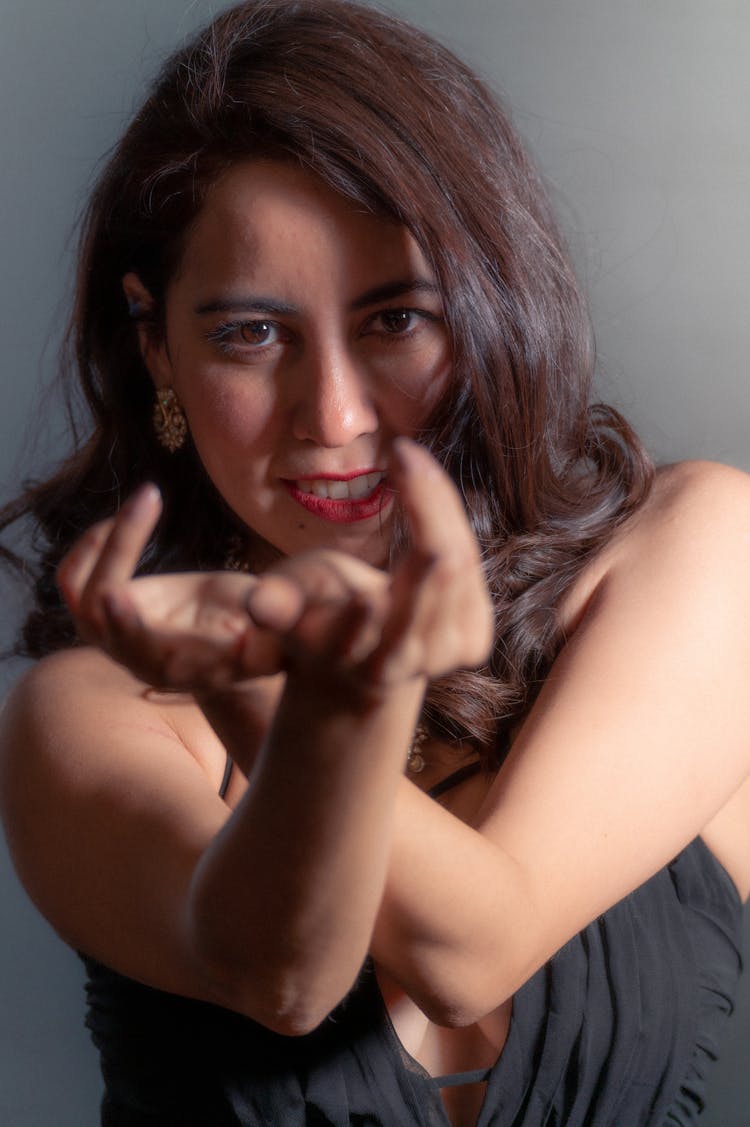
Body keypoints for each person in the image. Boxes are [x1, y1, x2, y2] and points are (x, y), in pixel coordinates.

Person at [1, 1, 749, 1124]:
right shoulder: (86, 716)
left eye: (397, 319)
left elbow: (477, 946)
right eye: (251, 334)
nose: (336, 414)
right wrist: (290, 693)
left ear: (494, 314)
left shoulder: (699, 548)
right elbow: (284, 980)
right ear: (157, 342)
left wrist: (314, 692)